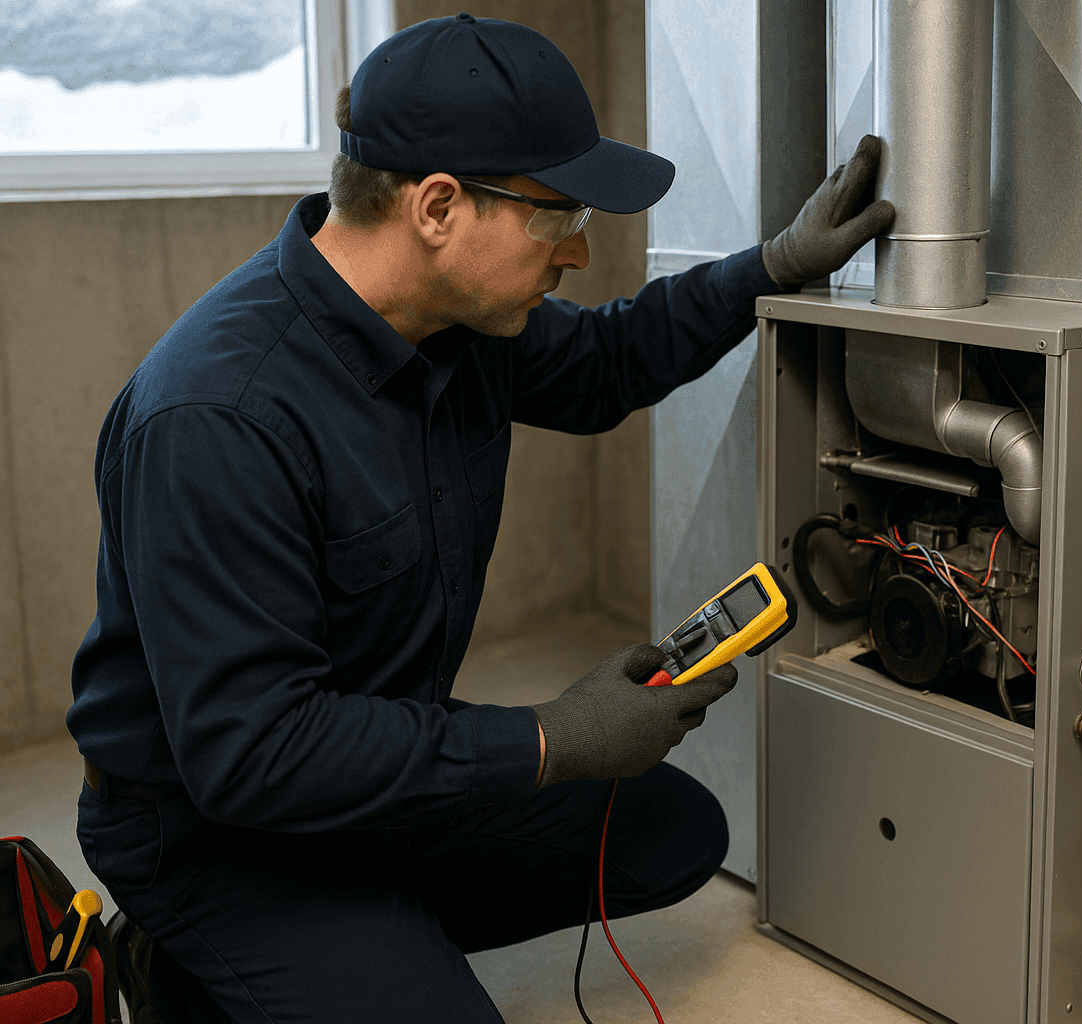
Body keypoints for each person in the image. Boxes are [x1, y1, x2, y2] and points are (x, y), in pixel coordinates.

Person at [66, 14, 892, 1024]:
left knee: (673, 831)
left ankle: (350, 941)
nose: (579, 251)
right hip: (219, 830)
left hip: (378, 778)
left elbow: (606, 364)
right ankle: (193, 957)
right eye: (556, 219)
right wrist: (550, 740)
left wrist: (767, 266)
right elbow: (256, 752)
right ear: (438, 207)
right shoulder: (219, 416)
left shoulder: (458, 321)